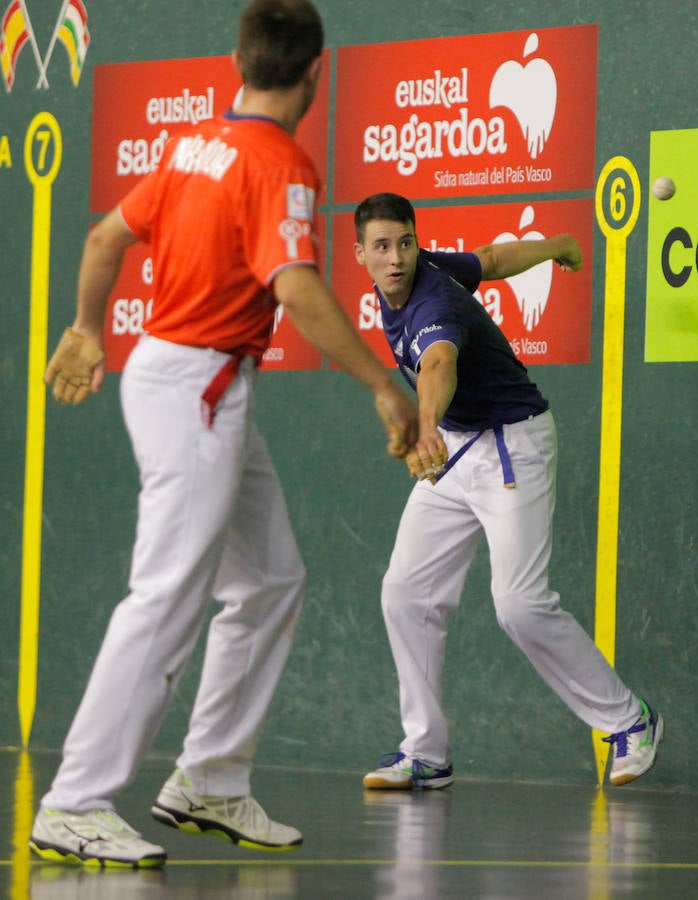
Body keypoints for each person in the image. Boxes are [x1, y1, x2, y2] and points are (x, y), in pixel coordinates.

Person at [31, 1, 417, 869]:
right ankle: (74, 800)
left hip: (185, 382)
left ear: (241, 65)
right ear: (315, 75)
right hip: (198, 392)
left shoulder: (190, 142)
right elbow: (296, 288)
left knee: (271, 581)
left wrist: (89, 327)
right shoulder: (280, 162)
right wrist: (383, 385)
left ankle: (209, 777)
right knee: (165, 596)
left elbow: (104, 237)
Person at [353, 193, 663, 792]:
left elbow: (439, 363)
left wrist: (423, 428)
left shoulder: (433, 300)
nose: (396, 258)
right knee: (405, 592)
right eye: (384, 247)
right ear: (361, 253)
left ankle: (632, 721)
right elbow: (492, 260)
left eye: (406, 243)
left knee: (519, 604)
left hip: (509, 446)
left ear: (416, 242)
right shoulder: (422, 270)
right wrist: (559, 249)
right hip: (458, 444)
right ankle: (427, 752)